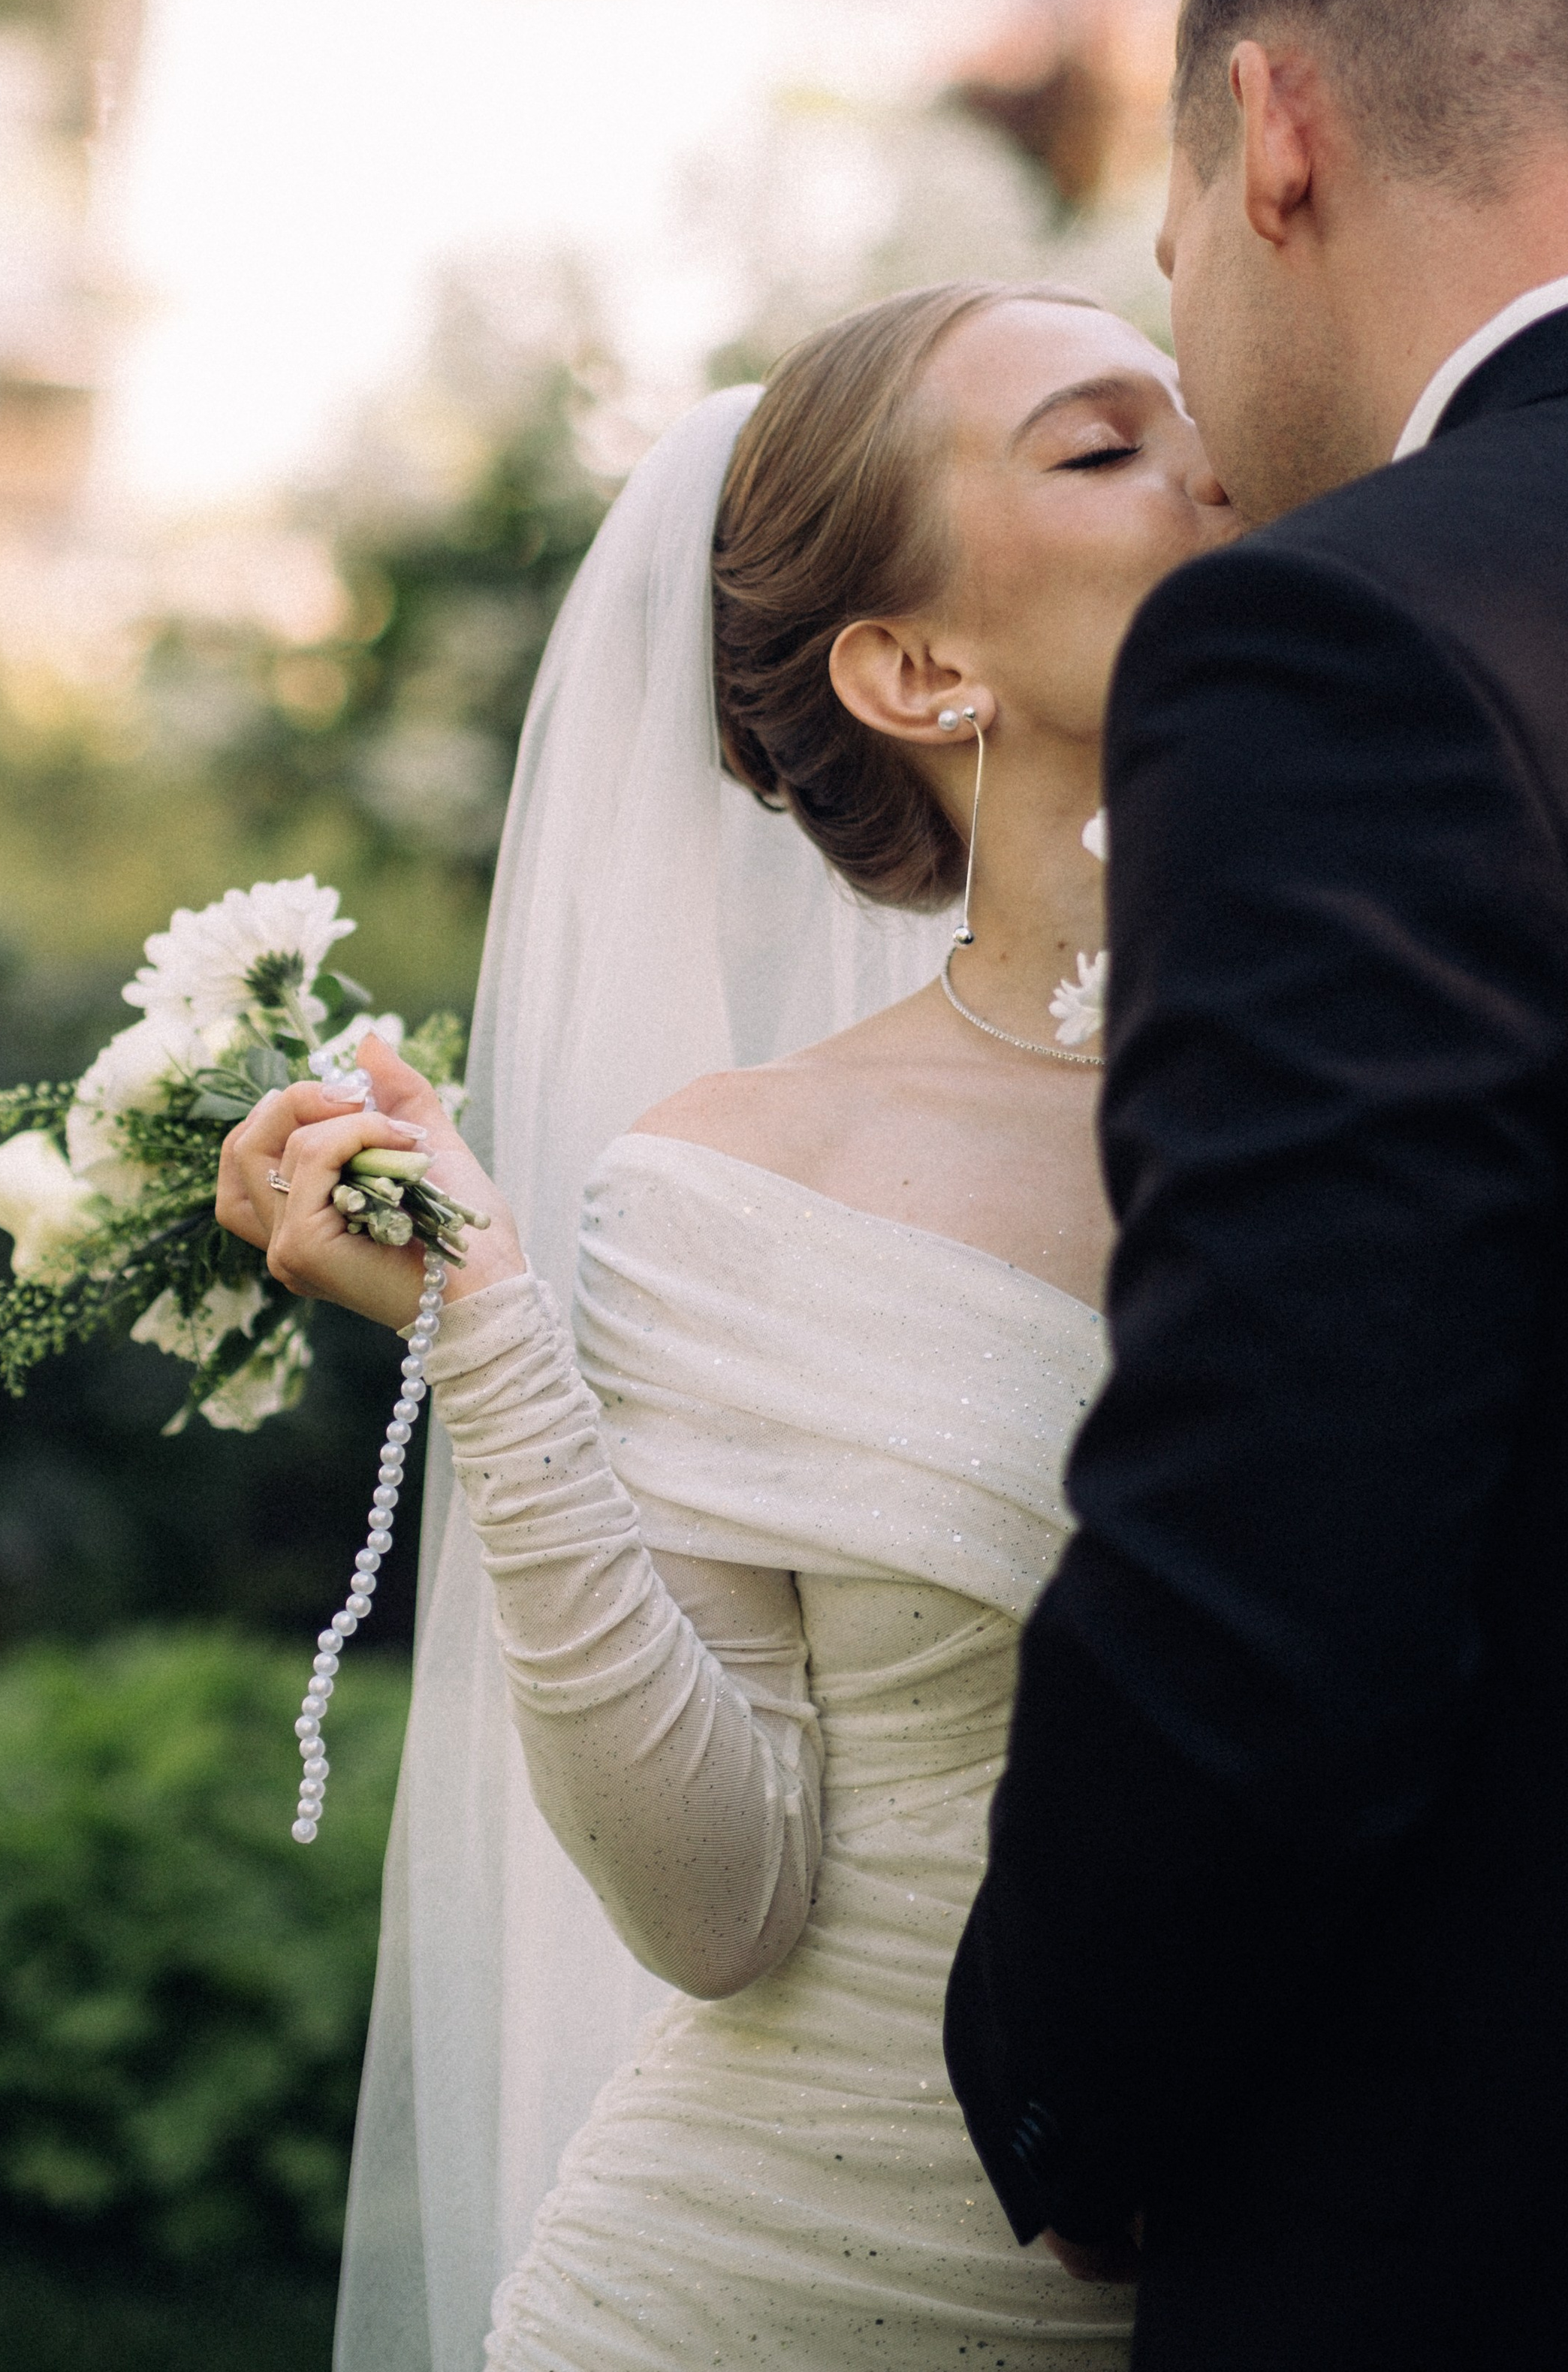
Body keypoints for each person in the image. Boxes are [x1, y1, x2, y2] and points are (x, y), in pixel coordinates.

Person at [219, 278, 1232, 2367]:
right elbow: (719, 1901)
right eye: (1102, 444)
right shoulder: (746, 1179)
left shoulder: (1415, 1055)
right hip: (755, 2299)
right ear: (914, 665)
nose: (1211, 466)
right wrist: (493, 1338)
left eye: (1194, 413)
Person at [942, 0, 1568, 2371]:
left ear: (1267, 131)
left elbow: (1288, 1518)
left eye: (1166, 240)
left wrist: (1085, 2082)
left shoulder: (1362, 640)